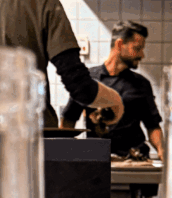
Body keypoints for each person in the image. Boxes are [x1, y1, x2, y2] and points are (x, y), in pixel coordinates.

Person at [61, 21, 165, 161]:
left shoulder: (141, 84)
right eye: (137, 48)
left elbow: (153, 126)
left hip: (135, 162)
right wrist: (63, 154)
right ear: (119, 45)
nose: (142, 55)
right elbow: (69, 119)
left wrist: (162, 152)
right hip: (97, 162)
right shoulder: (88, 81)